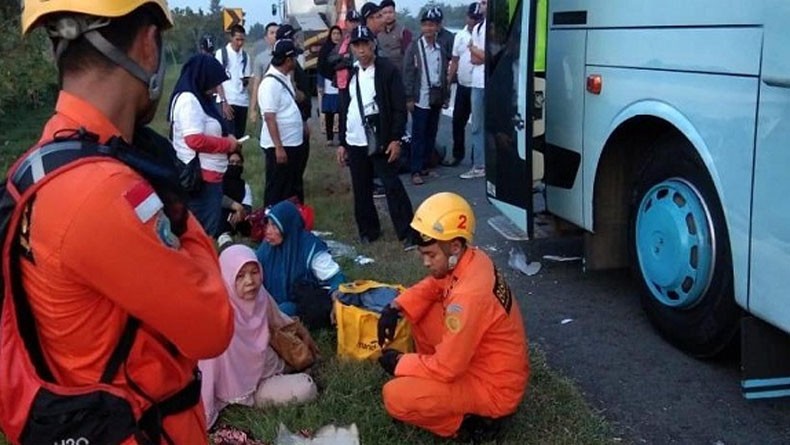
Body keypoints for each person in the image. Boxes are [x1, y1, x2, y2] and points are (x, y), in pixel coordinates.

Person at [14, 0, 234, 442]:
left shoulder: (41, 161)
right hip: (144, 426)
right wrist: (179, 214)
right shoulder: (103, 192)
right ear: (149, 45)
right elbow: (213, 326)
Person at [377, 192, 529, 441]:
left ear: (455, 247)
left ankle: (467, 424)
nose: (426, 263)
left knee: (394, 396)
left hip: (493, 389)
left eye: (431, 255)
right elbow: (435, 285)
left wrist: (401, 363)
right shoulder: (474, 258)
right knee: (422, 310)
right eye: (423, 255)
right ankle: (431, 380)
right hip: (489, 365)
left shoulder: (467, 297)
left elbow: (448, 367)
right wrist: (396, 307)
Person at [200, 244, 319, 428]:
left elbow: (280, 320)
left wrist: (303, 340)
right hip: (244, 386)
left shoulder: (260, 295)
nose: (250, 281)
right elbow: (206, 371)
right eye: (240, 276)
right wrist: (205, 415)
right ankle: (255, 396)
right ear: (226, 277)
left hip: (269, 365)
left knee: (301, 374)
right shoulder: (216, 319)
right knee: (307, 388)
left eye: (254, 272)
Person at [336, 25, 417, 250]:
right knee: (361, 187)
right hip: (355, 139)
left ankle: (408, 232)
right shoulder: (351, 72)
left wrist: (395, 139)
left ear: (373, 44)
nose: (361, 50)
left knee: (391, 185)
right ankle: (368, 231)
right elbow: (345, 107)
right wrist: (342, 142)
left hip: (380, 138)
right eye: (357, 46)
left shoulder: (387, 70)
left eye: (365, 44)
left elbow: (398, 107)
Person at [169, 54, 241, 237]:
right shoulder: (189, 101)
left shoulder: (199, 98)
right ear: (202, 79)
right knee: (203, 232)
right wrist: (227, 144)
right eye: (213, 84)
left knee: (207, 230)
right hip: (201, 179)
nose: (216, 89)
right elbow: (194, 139)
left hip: (209, 175)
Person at [255, 200, 346, 318]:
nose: (268, 231)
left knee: (286, 310)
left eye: (274, 226)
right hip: (270, 302)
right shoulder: (267, 248)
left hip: (299, 304)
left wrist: (336, 298)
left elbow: (335, 277)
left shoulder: (308, 247)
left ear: (287, 226)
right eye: (268, 224)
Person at [403, 8, 450, 185]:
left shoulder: (440, 48)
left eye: (432, 25)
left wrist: (446, 95)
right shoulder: (414, 47)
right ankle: (415, 170)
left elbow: (443, 73)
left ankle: (425, 165)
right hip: (420, 98)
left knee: (431, 133)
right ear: (421, 27)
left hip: (435, 97)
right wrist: (409, 97)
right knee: (418, 134)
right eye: (425, 25)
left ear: (437, 27)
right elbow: (408, 72)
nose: (428, 28)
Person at [259, 39, 306, 208]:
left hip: (292, 143)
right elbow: (269, 117)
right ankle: (272, 219)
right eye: (294, 58)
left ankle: (293, 217)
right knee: (278, 189)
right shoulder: (269, 84)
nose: (296, 62)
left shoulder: (284, 77)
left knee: (292, 186)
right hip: (280, 146)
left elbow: (295, 100)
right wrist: (278, 147)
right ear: (288, 60)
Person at [444, 3, 482, 167]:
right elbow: (455, 60)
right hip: (463, 85)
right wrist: (448, 80)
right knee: (458, 122)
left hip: (478, 85)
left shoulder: (483, 33)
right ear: (467, 17)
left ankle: (477, 158)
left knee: (478, 125)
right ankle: (457, 154)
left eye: (477, 18)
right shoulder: (460, 36)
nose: (474, 21)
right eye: (472, 17)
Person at [462, 0, 488, 179]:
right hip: (477, 82)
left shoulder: (494, 28)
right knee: (477, 126)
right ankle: (479, 164)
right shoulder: (478, 28)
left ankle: (486, 164)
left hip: (489, 82)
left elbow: (488, 56)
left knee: (489, 126)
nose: (482, 5)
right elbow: (474, 59)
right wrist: (477, 53)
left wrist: (472, 48)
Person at [215, 24, 252, 138]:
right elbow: (217, 80)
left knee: (239, 138)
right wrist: (223, 101)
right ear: (231, 38)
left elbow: (247, 78)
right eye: (237, 39)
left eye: (242, 40)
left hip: (242, 101)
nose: (240, 43)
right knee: (228, 136)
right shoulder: (221, 54)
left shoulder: (245, 56)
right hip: (228, 100)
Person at [318, 26, 343, 146]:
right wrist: (321, 85)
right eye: (334, 34)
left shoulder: (344, 48)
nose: (336, 36)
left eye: (338, 34)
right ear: (330, 35)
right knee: (329, 113)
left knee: (342, 111)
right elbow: (320, 68)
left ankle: (342, 137)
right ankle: (329, 138)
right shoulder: (325, 49)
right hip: (328, 83)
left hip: (342, 82)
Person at [250, 22, 280, 124]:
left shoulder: (288, 57)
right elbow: (256, 84)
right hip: (267, 102)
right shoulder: (260, 58)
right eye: (272, 33)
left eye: (277, 33)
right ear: (266, 38)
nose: (275, 35)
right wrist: (253, 109)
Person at [220, 151, 253, 237]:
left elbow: (248, 207)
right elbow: (216, 197)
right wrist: (235, 206)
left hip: (236, 217)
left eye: (238, 163)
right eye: (231, 162)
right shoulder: (218, 181)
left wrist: (240, 213)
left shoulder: (245, 186)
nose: (235, 165)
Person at [377, 0, 413, 72]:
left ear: (395, 13)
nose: (388, 15)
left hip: (401, 73)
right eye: (385, 13)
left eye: (390, 12)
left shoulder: (404, 32)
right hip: (384, 73)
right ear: (381, 15)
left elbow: (409, 57)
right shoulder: (377, 34)